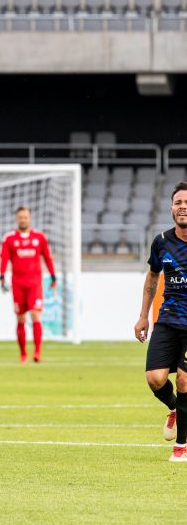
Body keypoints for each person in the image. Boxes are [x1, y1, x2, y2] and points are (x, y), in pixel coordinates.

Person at [134, 181, 187, 463]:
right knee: (155, 379)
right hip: (167, 320)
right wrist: (144, 315)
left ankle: (181, 446)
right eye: (179, 202)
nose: (183, 207)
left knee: (183, 379)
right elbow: (152, 278)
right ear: (171, 208)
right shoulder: (162, 242)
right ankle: (177, 409)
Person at [0, 206, 57, 363]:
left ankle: (37, 352)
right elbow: (4, 259)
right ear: (17, 219)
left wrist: (53, 276)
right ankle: (23, 354)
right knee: (20, 318)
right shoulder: (9, 238)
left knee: (36, 314)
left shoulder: (39, 237)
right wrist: (2, 277)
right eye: (20, 217)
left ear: (29, 218)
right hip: (18, 284)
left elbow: (47, 257)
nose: (23, 219)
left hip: (34, 284)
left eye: (25, 217)